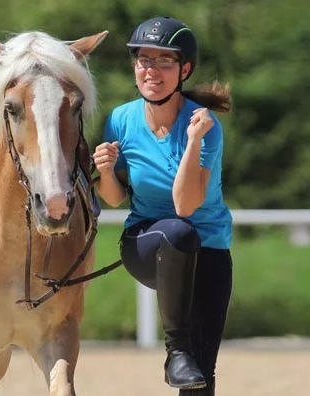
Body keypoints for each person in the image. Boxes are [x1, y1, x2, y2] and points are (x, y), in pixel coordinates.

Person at [92, 16, 234, 396]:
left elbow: (185, 203)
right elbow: (115, 197)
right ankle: (176, 350)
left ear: (184, 69)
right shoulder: (121, 119)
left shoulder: (204, 127)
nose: (151, 70)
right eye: (143, 60)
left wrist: (191, 143)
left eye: (164, 61)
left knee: (200, 376)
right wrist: (105, 171)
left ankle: (184, 359)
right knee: (177, 232)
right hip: (147, 244)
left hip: (209, 251)